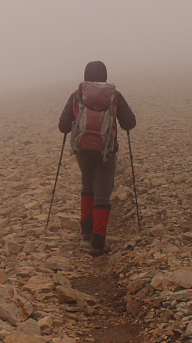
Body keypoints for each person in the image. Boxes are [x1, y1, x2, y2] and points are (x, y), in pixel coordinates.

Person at [58, 61, 136, 256]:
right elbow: (130, 123)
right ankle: (98, 242)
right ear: (105, 76)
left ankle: (86, 233)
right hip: (106, 152)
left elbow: (63, 126)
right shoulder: (114, 96)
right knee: (102, 192)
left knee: (87, 186)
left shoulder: (77, 95)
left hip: (83, 151)